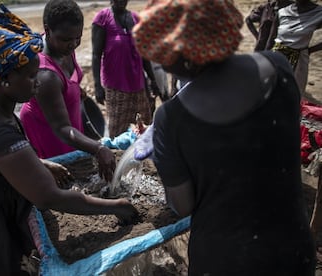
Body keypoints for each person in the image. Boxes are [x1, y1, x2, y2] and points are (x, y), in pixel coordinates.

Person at [0, 5, 137, 275]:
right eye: (31, 76)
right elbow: (49, 197)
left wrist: (39, 162)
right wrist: (118, 207)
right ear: (3, 78)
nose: (37, 83)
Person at [133, 0, 316, 275]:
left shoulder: (171, 118)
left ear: (177, 57)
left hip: (223, 259)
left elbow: (182, 205)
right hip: (291, 246)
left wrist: (164, 154)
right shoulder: (278, 68)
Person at [20, 0, 116, 182]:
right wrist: (98, 148)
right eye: (66, 39)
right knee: (62, 177)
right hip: (50, 130)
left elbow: (67, 80)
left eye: (77, 38)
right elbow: (62, 128)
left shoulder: (63, 47)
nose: (73, 44)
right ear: (47, 31)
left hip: (68, 120)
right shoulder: (45, 75)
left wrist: (74, 89)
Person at [92, 0, 159, 138]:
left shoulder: (136, 18)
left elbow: (144, 54)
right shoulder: (103, 18)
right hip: (116, 86)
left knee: (145, 129)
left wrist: (153, 80)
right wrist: (97, 85)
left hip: (138, 85)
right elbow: (96, 55)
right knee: (116, 132)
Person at [272, 0, 322, 93]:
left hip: (299, 61)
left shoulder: (318, 13)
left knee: (294, 93)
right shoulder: (282, 12)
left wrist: (309, 50)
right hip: (277, 58)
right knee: (273, 92)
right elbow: (272, 39)